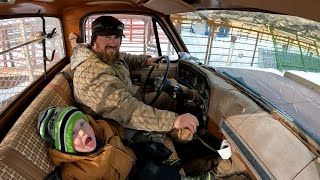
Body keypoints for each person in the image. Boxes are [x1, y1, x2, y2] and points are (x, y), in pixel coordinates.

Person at [70, 16, 199, 136]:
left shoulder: (104, 55)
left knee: (168, 97)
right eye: (107, 36)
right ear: (94, 39)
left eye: (116, 37)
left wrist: (145, 61)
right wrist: (174, 121)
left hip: (132, 97)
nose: (113, 42)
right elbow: (126, 110)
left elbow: (124, 58)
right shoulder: (91, 73)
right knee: (175, 115)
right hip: (117, 123)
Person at [37, 106, 214, 180]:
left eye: (82, 123)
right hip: (129, 177)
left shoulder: (100, 129)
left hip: (133, 156)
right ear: (65, 147)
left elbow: (118, 130)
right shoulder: (75, 172)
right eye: (73, 134)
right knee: (158, 176)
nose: (83, 131)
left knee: (159, 154)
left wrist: (142, 135)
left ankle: (176, 170)